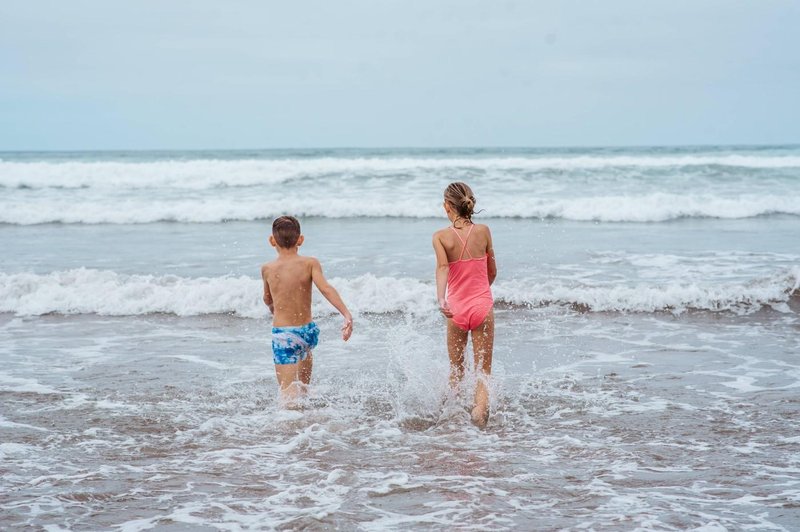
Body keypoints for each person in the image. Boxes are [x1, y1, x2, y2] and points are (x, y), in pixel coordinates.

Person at [261, 215, 353, 405]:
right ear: (300, 240)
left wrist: (273, 308)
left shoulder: (268, 268)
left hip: (284, 335)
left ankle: (294, 429)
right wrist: (346, 314)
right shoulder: (310, 263)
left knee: (288, 396)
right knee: (303, 390)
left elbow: (267, 299)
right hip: (307, 333)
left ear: (272, 241)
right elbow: (326, 289)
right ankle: (311, 430)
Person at [432, 182, 497, 427]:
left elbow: (442, 268)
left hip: (455, 310)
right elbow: (492, 272)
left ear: (447, 206)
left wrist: (441, 299)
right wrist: (480, 293)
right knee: (483, 371)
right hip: (482, 306)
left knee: (456, 371)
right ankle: (479, 417)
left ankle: (448, 418)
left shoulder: (440, 237)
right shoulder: (484, 231)